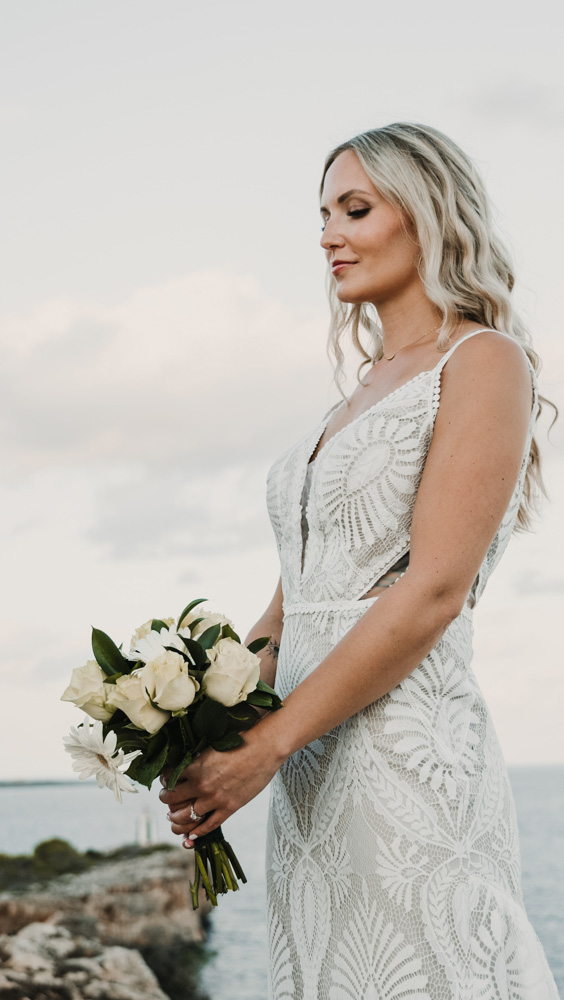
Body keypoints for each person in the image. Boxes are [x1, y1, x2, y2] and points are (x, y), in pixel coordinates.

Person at [160, 122, 560, 999]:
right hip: (307, 772)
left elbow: (434, 592)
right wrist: (198, 720)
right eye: (323, 215)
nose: (328, 235)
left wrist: (263, 748)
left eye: (355, 208)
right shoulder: (354, 395)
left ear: (426, 214)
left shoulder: (483, 361)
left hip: (399, 757)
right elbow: (286, 608)